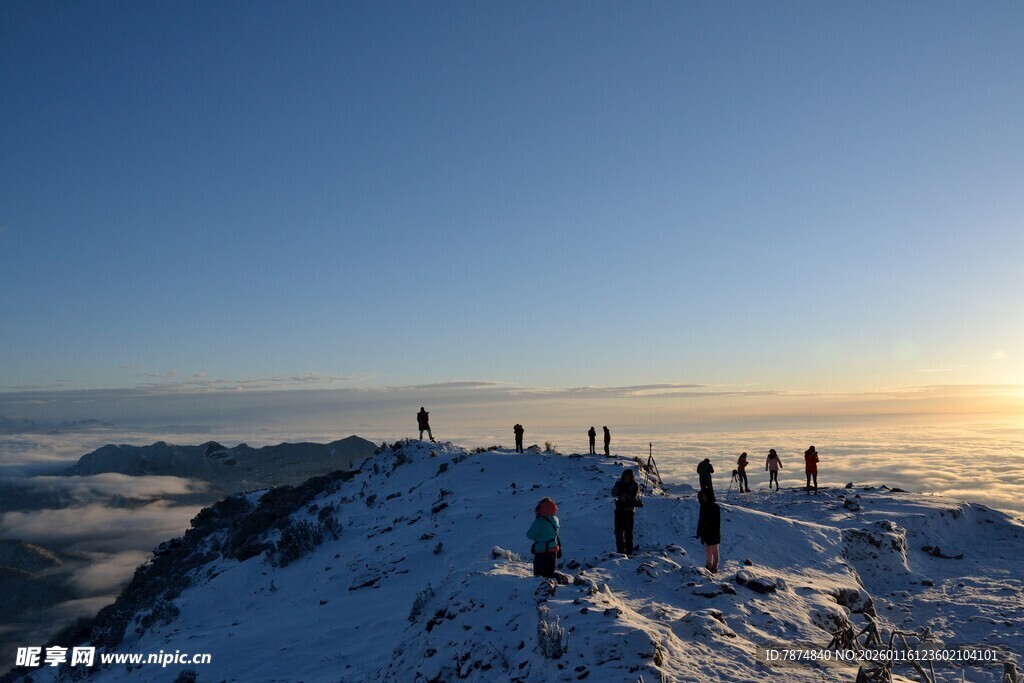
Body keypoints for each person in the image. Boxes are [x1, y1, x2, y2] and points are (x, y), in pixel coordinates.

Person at [526, 497, 560, 578]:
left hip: (541, 552)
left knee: (539, 578)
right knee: (549, 575)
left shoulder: (539, 522)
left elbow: (529, 535)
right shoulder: (555, 519)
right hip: (553, 551)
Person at [611, 469, 642, 556]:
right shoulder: (620, 484)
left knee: (628, 533)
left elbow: (632, 496)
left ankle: (629, 552)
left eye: (628, 476)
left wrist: (623, 489)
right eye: (625, 475)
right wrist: (617, 486)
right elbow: (613, 494)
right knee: (618, 533)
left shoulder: (634, 485)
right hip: (619, 511)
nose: (626, 477)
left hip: (628, 512)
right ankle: (620, 552)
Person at [695, 489, 721, 573]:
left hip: (711, 532)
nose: (703, 497)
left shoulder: (710, 507)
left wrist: (700, 531)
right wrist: (699, 532)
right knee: (712, 551)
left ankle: (712, 567)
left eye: (704, 495)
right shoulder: (705, 506)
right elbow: (701, 520)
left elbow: (717, 521)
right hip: (709, 532)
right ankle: (712, 567)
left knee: (713, 551)